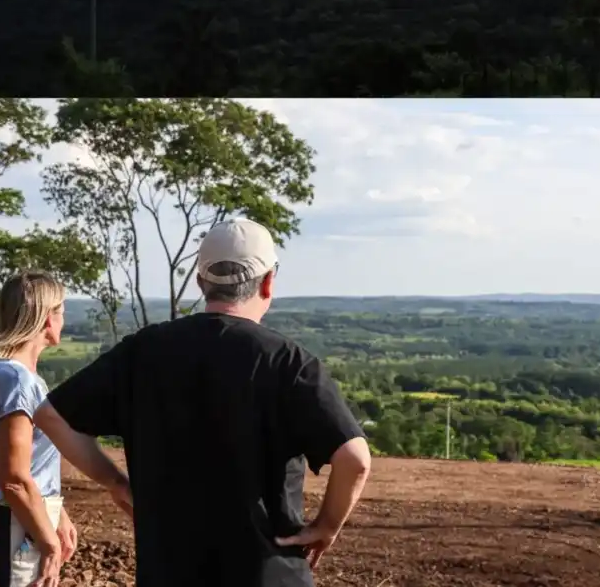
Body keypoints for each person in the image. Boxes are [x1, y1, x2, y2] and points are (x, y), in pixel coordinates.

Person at [34, 218, 371, 587]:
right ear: (268, 281)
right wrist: (326, 526)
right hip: (269, 574)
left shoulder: (143, 351)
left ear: (201, 282)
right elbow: (354, 459)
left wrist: (115, 481)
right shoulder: (289, 362)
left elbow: (51, 416)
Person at [0, 271, 129, 587]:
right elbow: (13, 479)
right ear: (45, 320)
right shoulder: (15, 382)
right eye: (61, 311)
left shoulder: (14, 377)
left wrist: (57, 515)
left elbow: (34, 467)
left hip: (19, 523)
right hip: (12, 528)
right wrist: (49, 542)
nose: (63, 320)